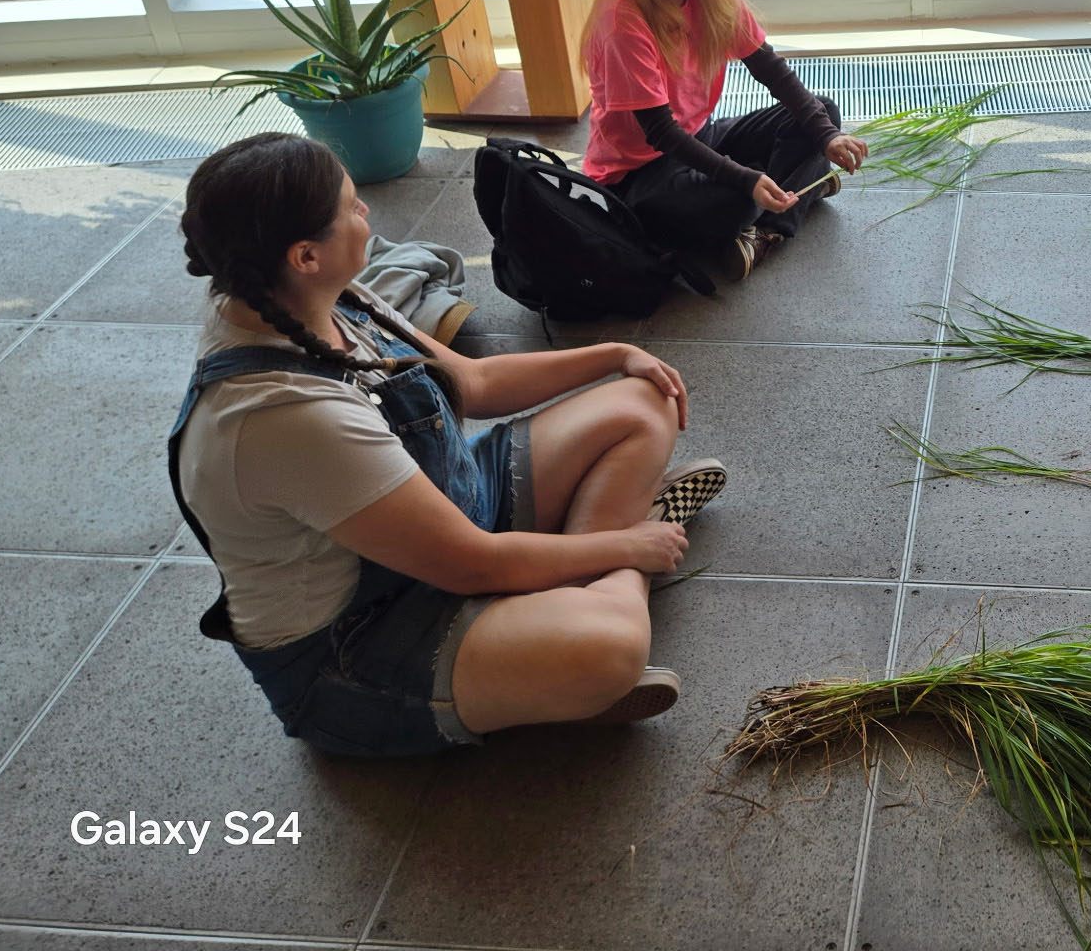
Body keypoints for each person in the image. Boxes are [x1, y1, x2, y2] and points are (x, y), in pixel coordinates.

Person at [169, 132, 730, 758]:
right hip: (366, 646)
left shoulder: (308, 294)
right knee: (615, 646)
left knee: (640, 401)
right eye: (352, 208)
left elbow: (475, 381)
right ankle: (592, 618)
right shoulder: (282, 417)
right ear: (304, 255)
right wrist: (630, 545)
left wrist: (617, 354)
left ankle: (551, 644)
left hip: (444, 514)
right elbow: (471, 564)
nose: (367, 215)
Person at [580, 0, 868, 281]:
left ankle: (765, 232)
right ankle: (801, 189)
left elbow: (770, 68)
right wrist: (745, 178)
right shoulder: (621, 17)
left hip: (700, 136)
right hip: (635, 175)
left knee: (821, 112)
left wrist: (828, 136)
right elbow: (659, 132)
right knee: (732, 201)